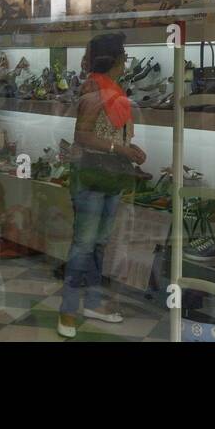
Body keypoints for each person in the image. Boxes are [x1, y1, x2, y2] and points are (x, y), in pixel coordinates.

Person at [58, 32, 145, 339]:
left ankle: (92, 303)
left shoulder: (112, 89)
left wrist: (129, 151)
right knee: (83, 244)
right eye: (124, 57)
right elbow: (82, 136)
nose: (125, 63)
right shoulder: (95, 88)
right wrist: (120, 150)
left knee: (98, 243)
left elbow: (110, 134)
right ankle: (68, 311)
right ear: (114, 60)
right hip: (92, 176)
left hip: (109, 175)